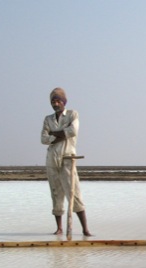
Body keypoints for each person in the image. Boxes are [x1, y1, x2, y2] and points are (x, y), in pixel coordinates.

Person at [41, 87, 91, 236]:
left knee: (74, 192)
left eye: (57, 101)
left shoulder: (72, 114)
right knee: (56, 193)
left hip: (68, 158)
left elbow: (72, 131)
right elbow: (43, 139)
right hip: (52, 159)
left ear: (63, 102)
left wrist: (54, 134)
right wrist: (59, 135)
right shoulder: (48, 119)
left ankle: (85, 229)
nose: (55, 104)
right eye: (53, 101)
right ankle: (59, 228)